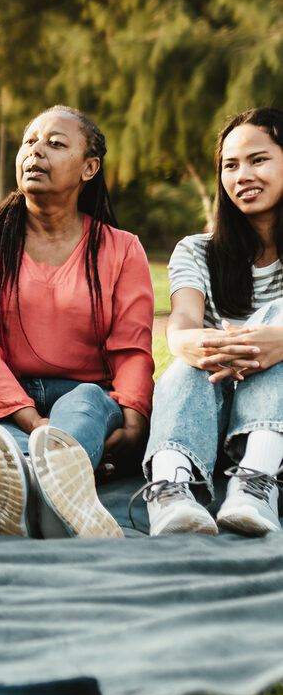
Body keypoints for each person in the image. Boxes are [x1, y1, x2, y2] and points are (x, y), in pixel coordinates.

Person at [0, 106, 155, 539]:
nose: (35, 152)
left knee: (82, 404)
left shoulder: (122, 248)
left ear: (89, 168)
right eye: (29, 142)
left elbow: (132, 347)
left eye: (55, 144)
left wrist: (134, 416)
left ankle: (16, 495)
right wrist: (33, 423)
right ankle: (53, 494)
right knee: (1, 443)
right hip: (0, 402)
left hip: (87, 396)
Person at [137, 108, 283, 537]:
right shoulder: (196, 250)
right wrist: (187, 342)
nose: (242, 176)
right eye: (230, 165)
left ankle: (256, 483)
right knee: (185, 364)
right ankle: (170, 486)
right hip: (209, 414)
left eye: (258, 160)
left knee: (276, 316)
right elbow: (182, 320)